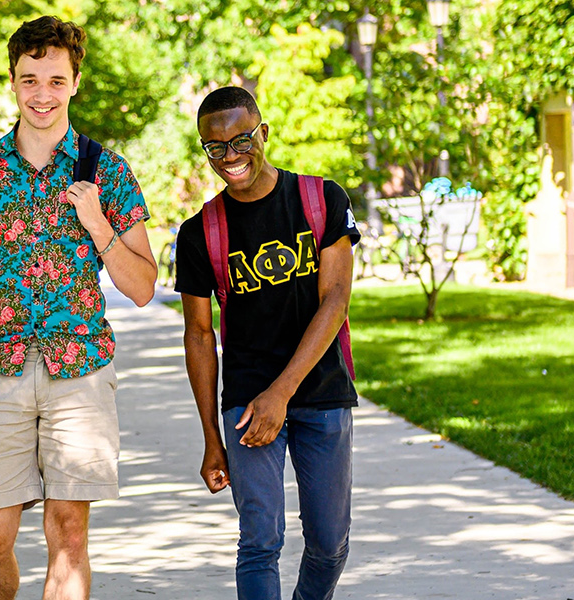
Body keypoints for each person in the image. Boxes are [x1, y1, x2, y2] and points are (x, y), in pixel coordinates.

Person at [0, 16, 159, 600]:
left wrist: (98, 223)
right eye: (30, 80)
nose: (42, 95)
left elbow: (144, 285)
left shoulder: (105, 170)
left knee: (69, 535)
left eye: (55, 80)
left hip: (79, 373)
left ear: (75, 83)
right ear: (12, 82)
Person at [175, 86, 360, 600]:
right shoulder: (198, 233)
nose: (231, 156)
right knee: (260, 540)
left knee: (329, 542)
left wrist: (281, 393)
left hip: (321, 391)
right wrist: (212, 436)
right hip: (247, 401)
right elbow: (198, 334)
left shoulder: (322, 198)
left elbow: (336, 301)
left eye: (241, 139)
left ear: (264, 133)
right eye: (216, 147)